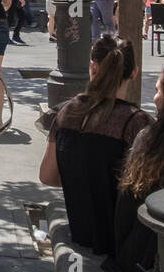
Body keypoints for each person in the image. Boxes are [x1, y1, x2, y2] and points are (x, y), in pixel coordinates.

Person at [38, 34, 149, 255]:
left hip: (81, 231)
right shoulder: (137, 122)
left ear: (92, 67)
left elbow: (47, 176)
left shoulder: (66, 112)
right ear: (134, 72)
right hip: (120, 243)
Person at [106, 54, 164, 272]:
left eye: (159, 90)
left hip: (139, 267)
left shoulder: (149, 141)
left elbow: (124, 215)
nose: (155, 97)